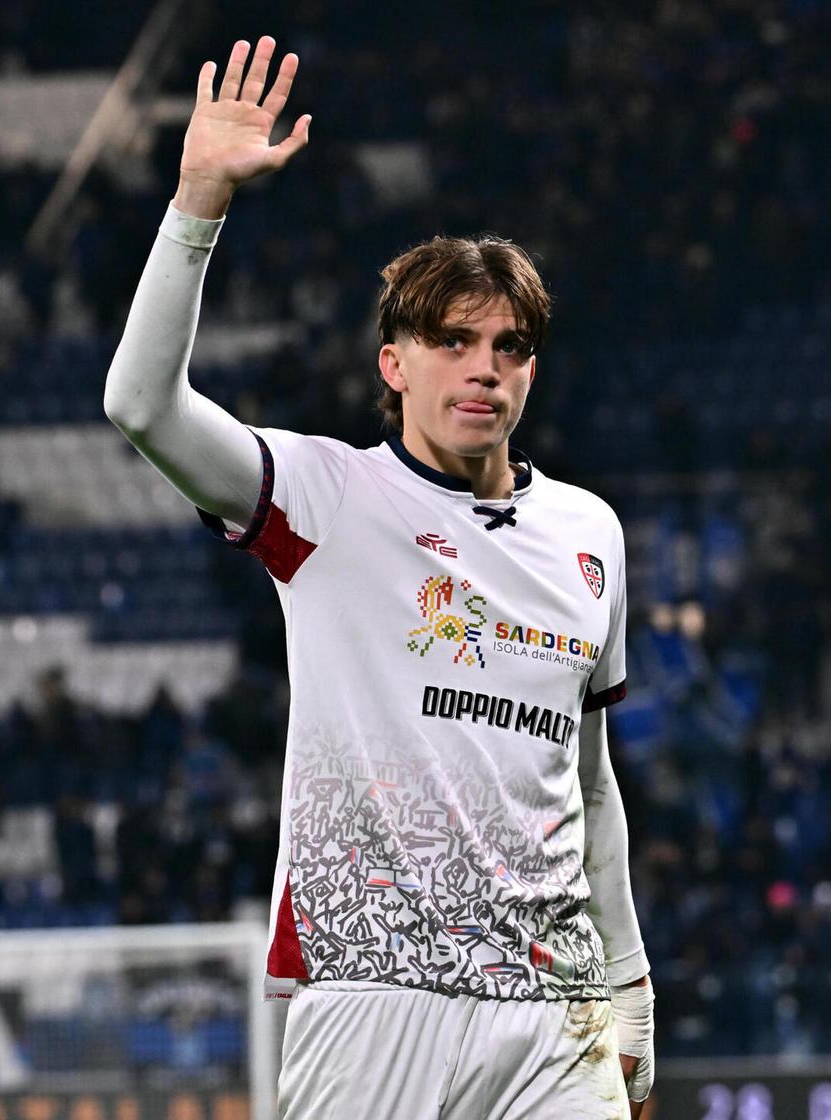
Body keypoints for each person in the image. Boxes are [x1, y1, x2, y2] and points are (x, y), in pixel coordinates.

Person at [104, 36, 655, 1120]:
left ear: (533, 368)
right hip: (370, 994)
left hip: (555, 1011)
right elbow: (141, 406)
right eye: (453, 341)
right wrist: (198, 203)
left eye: (509, 345)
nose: (483, 368)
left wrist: (629, 990)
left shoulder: (589, 534)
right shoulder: (325, 498)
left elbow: (589, 780)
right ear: (394, 365)